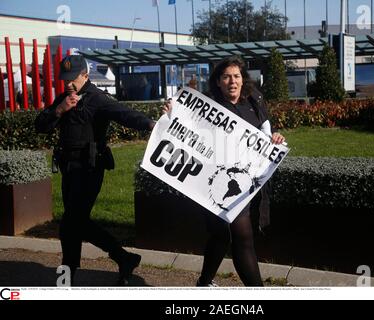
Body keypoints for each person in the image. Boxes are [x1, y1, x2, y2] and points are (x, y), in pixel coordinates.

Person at [163, 56, 285, 286]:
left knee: (221, 237)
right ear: (218, 81)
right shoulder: (206, 104)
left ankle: (204, 282)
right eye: (226, 76)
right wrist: (172, 114)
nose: (232, 81)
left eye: (237, 76)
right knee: (240, 236)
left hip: (243, 182)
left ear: (243, 79)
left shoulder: (254, 101)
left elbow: (266, 133)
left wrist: (274, 139)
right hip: (213, 182)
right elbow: (182, 129)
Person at [35, 55, 155, 286]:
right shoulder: (63, 99)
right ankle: (124, 258)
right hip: (69, 169)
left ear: (85, 76)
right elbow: (40, 126)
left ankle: (68, 276)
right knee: (73, 223)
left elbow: (125, 114)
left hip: (89, 168)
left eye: (72, 79)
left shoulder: (98, 99)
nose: (68, 84)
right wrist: (60, 109)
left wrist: (151, 125)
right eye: (65, 79)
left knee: (72, 222)